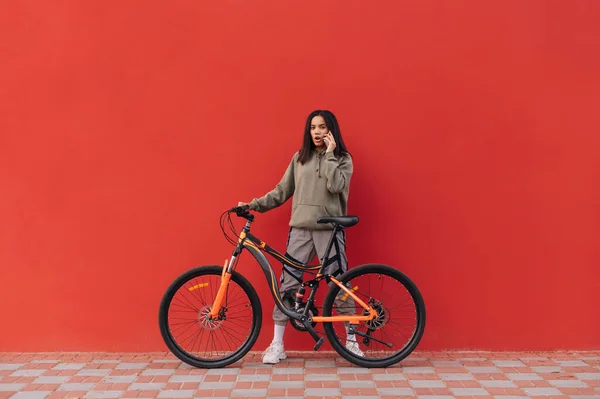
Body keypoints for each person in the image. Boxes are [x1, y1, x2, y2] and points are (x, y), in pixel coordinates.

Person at [238, 109, 364, 364]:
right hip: (300, 229)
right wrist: (253, 204)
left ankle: (352, 342)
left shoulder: (342, 159)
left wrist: (329, 155)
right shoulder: (299, 158)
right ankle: (277, 344)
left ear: (331, 130)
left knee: (338, 284)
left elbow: (336, 186)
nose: (317, 132)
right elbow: (281, 191)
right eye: (313, 127)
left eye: (322, 127)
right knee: (288, 283)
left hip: (329, 230)